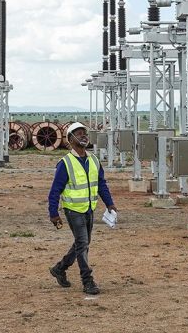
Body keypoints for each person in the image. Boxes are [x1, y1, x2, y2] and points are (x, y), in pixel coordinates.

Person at [47, 122, 116, 295]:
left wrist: (109, 203)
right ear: (71, 139)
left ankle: (60, 268)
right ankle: (88, 281)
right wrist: (53, 213)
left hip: (89, 208)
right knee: (83, 243)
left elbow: (101, 184)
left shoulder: (93, 160)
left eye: (85, 133)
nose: (84, 136)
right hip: (73, 210)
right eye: (79, 133)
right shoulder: (65, 163)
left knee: (82, 243)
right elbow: (55, 191)